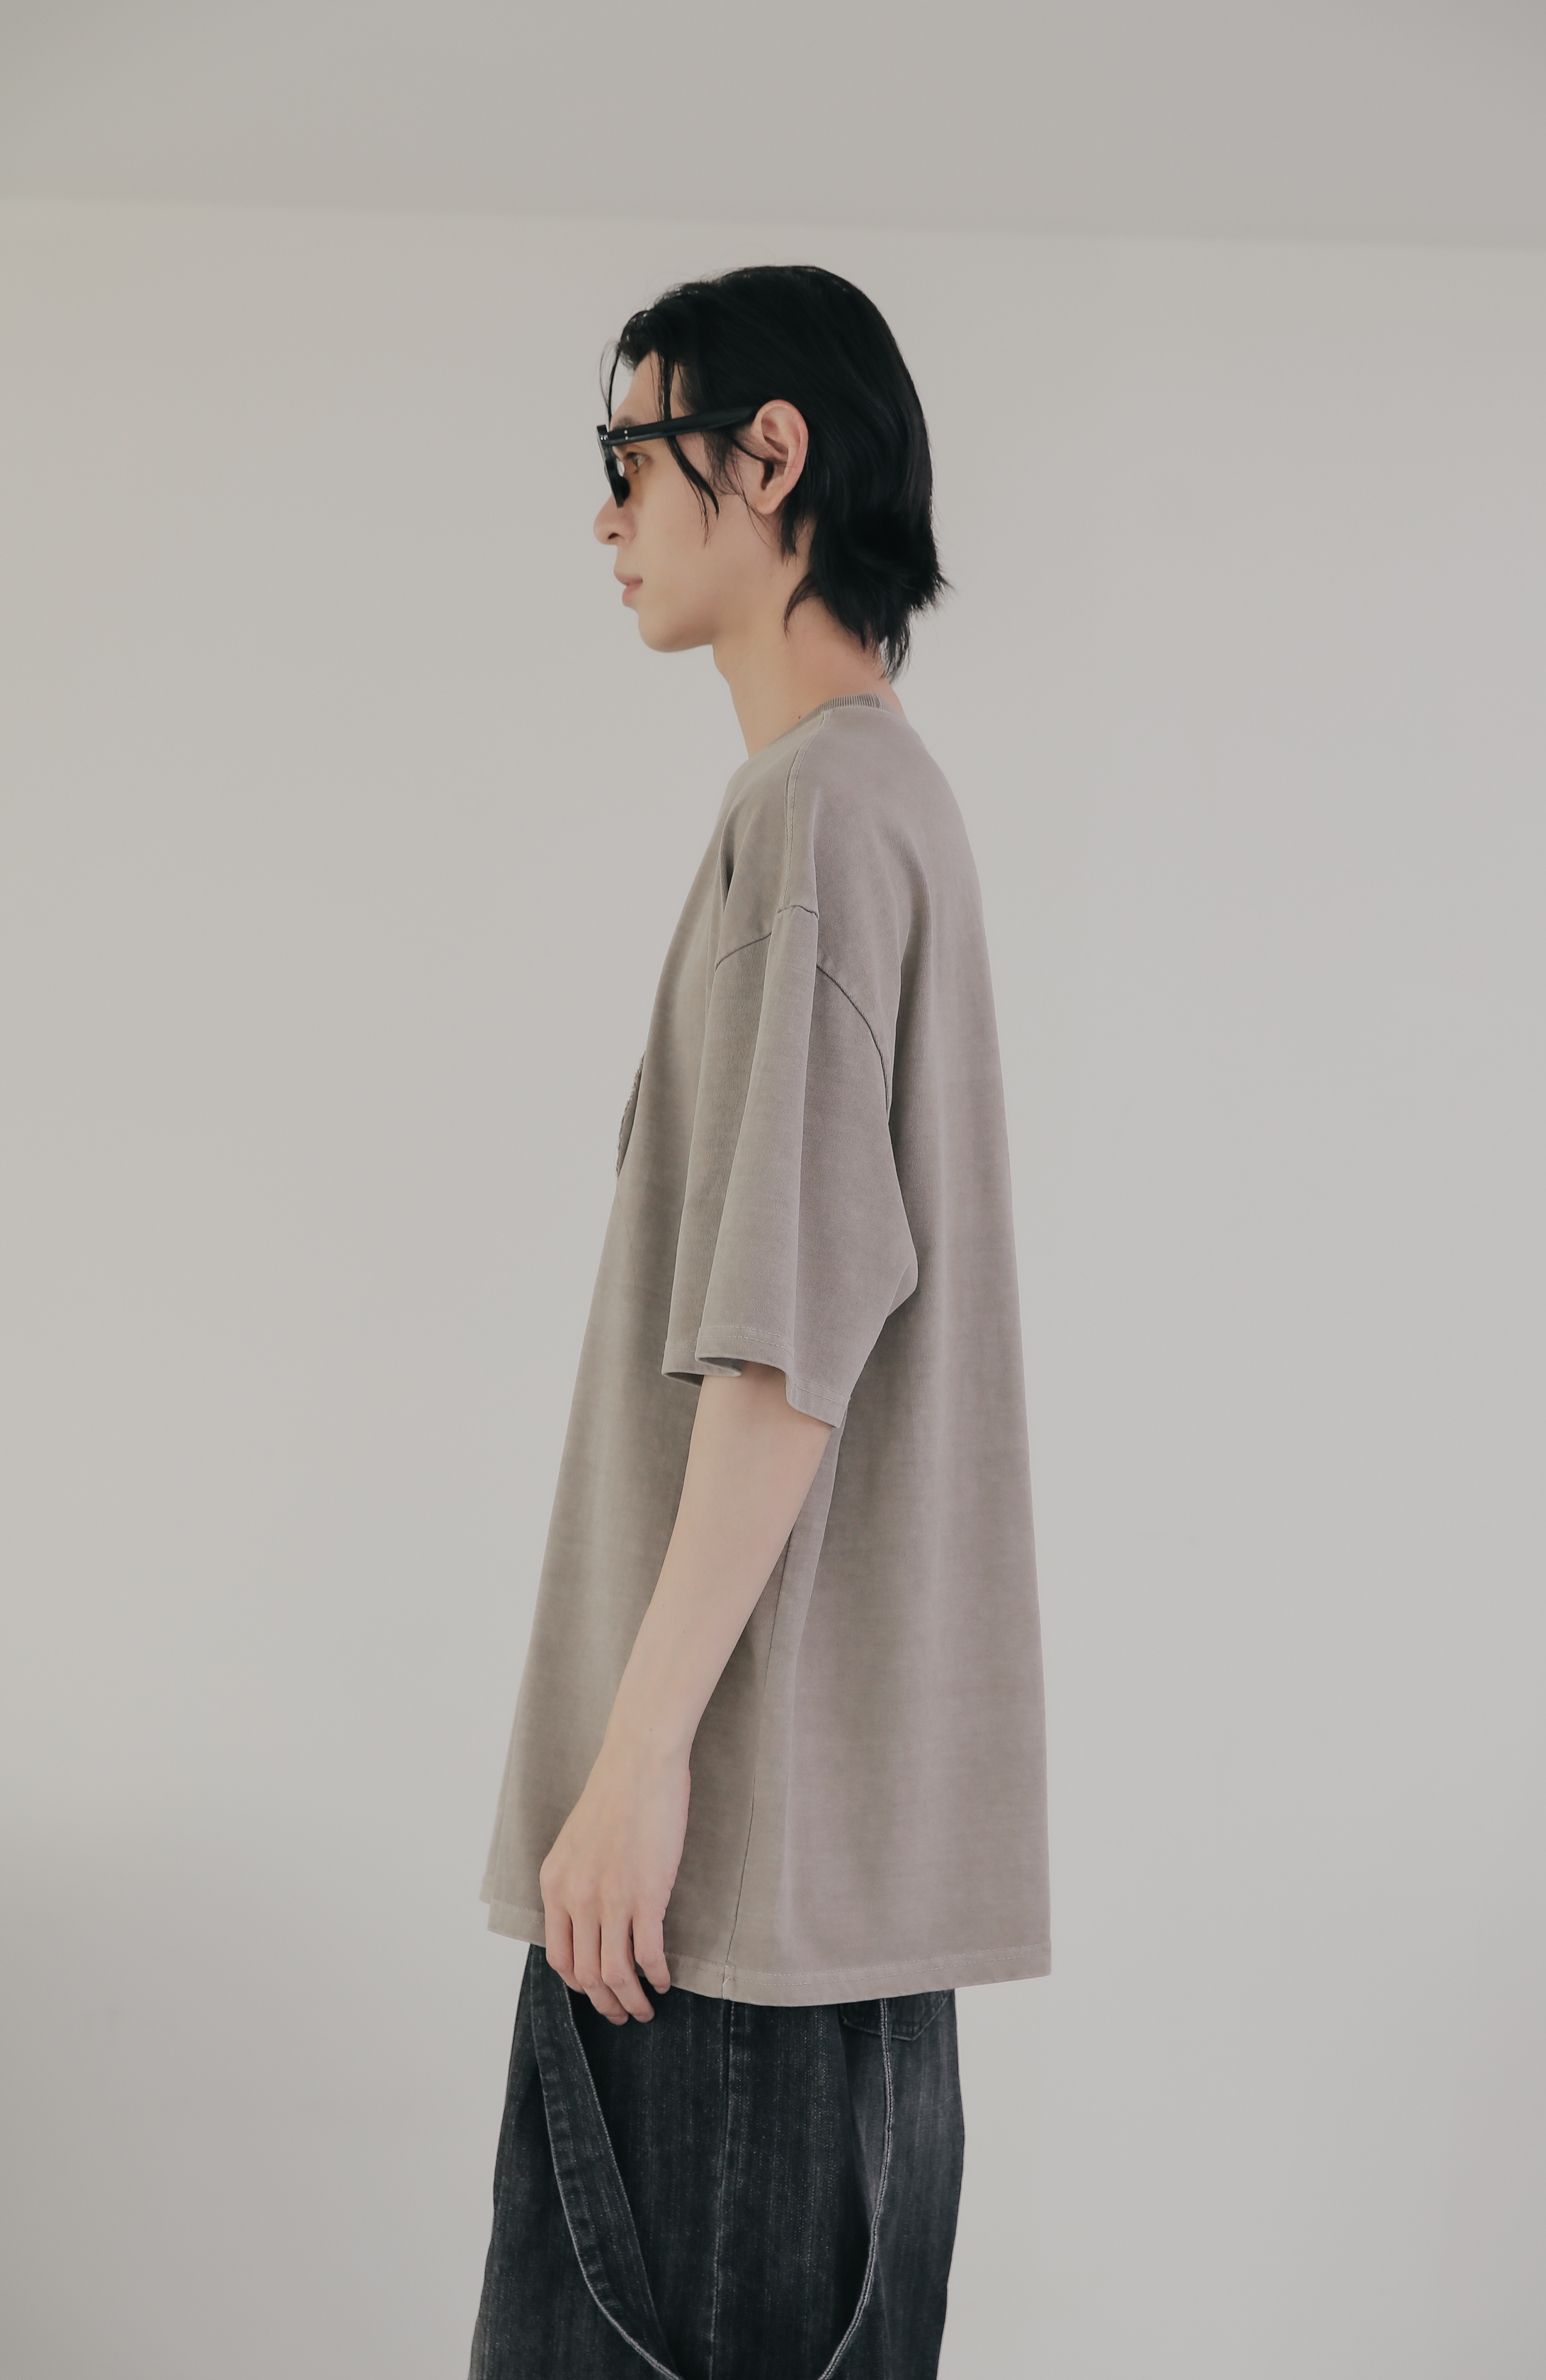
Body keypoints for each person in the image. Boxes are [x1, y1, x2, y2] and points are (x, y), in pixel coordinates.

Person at [469, 264, 1049, 2380]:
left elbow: (785, 1353)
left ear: (770, 456)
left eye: (631, 455)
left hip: (713, 1925)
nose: (608, 513)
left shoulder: (813, 816)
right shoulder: (898, 805)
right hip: (836, 1942)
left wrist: (634, 1765)